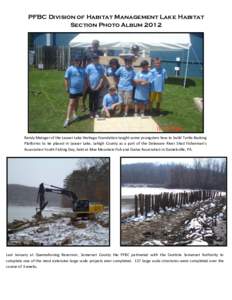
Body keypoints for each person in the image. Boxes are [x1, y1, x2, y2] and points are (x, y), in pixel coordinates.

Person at [63, 56, 86, 128]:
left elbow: (84, 79)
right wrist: (67, 87)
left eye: (78, 61)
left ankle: (74, 115)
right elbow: (66, 78)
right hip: (73, 90)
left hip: (80, 90)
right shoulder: (70, 69)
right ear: (73, 61)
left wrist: (84, 88)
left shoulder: (82, 69)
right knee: (71, 103)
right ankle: (67, 119)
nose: (77, 62)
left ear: (80, 62)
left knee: (77, 102)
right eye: (76, 60)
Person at [85, 53, 105, 118]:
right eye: (94, 58)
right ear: (92, 59)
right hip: (90, 86)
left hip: (98, 86)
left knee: (96, 100)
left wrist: (99, 85)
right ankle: (91, 112)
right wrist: (89, 85)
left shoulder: (101, 66)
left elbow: (102, 77)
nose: (95, 59)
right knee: (91, 100)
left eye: (96, 58)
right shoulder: (89, 66)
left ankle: (96, 112)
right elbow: (87, 77)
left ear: (98, 59)